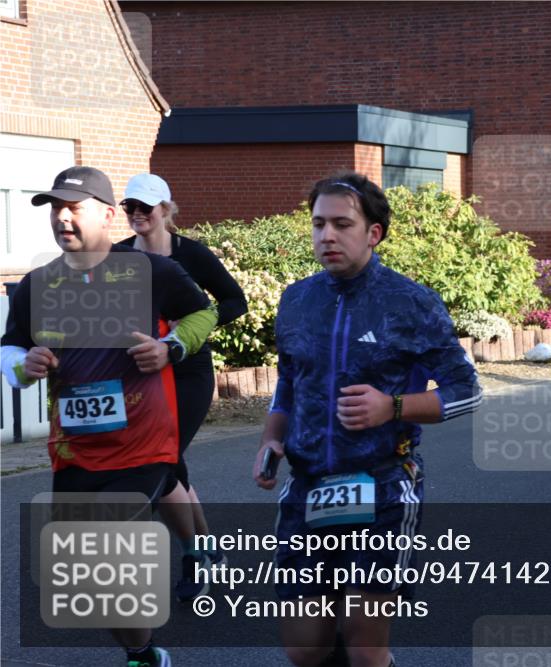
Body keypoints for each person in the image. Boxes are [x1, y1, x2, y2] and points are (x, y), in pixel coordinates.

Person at [253, 172, 481, 667]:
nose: (326, 236)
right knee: (304, 650)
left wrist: (393, 406)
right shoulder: (296, 300)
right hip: (310, 486)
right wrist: (273, 439)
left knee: (363, 638)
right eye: (318, 225)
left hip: (382, 486)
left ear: (372, 233)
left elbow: (468, 392)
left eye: (341, 224)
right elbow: (289, 381)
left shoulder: (411, 302)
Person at [1, 166, 218, 667]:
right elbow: (10, 347)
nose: (61, 217)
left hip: (144, 439)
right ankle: (143, 652)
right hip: (75, 447)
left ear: (105, 213)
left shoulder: (153, 273)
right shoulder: (37, 286)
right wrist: (24, 364)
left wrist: (171, 347)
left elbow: (203, 312)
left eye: (72, 207)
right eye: (54, 209)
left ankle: (195, 554)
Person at [119, 173, 248, 600]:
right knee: (173, 467)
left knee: (166, 460)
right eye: (129, 208)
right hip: (139, 373)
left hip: (188, 370)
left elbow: (234, 300)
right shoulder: (117, 256)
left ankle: (194, 560)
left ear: (165, 210)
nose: (137, 215)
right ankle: (210, 552)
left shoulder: (191, 254)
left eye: (145, 208)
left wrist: (189, 325)